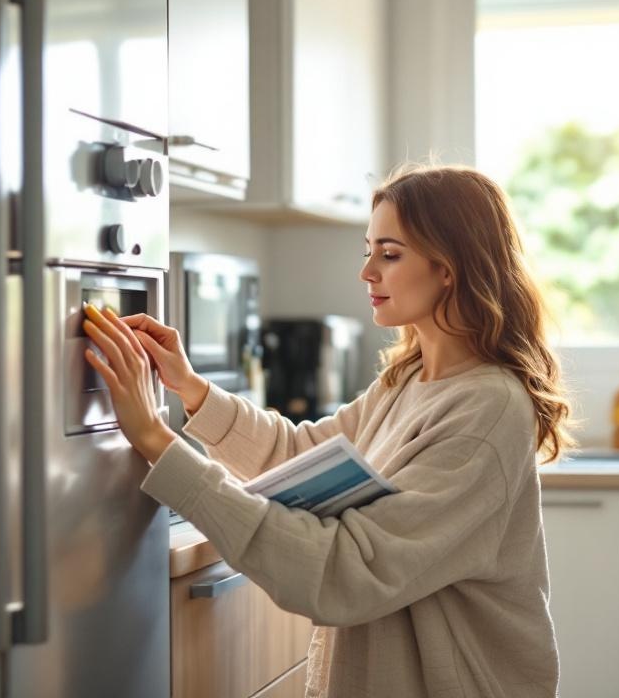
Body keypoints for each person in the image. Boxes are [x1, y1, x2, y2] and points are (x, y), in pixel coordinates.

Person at [82, 164, 573, 698]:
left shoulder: (487, 409)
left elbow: (346, 572)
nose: (367, 272)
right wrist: (190, 387)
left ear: (449, 267)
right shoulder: (408, 380)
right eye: (368, 251)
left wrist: (156, 438)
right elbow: (298, 454)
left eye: (389, 254)